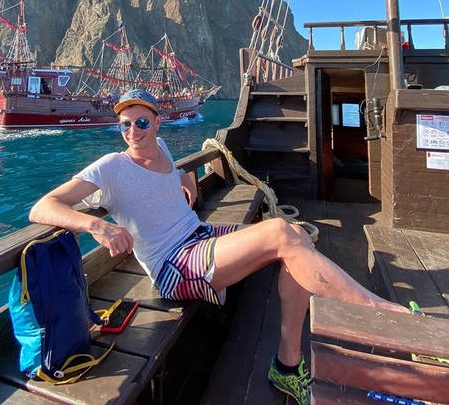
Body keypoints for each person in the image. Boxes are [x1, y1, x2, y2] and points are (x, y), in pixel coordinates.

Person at [29, 88, 407, 405]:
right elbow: (43, 207)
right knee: (280, 233)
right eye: (125, 125)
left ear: (158, 122)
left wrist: (185, 177)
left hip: (201, 235)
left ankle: (287, 364)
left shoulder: (161, 147)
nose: (133, 132)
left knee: (296, 237)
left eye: (141, 122)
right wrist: (96, 225)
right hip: (172, 265)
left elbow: (174, 171)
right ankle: (382, 316)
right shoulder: (111, 167)